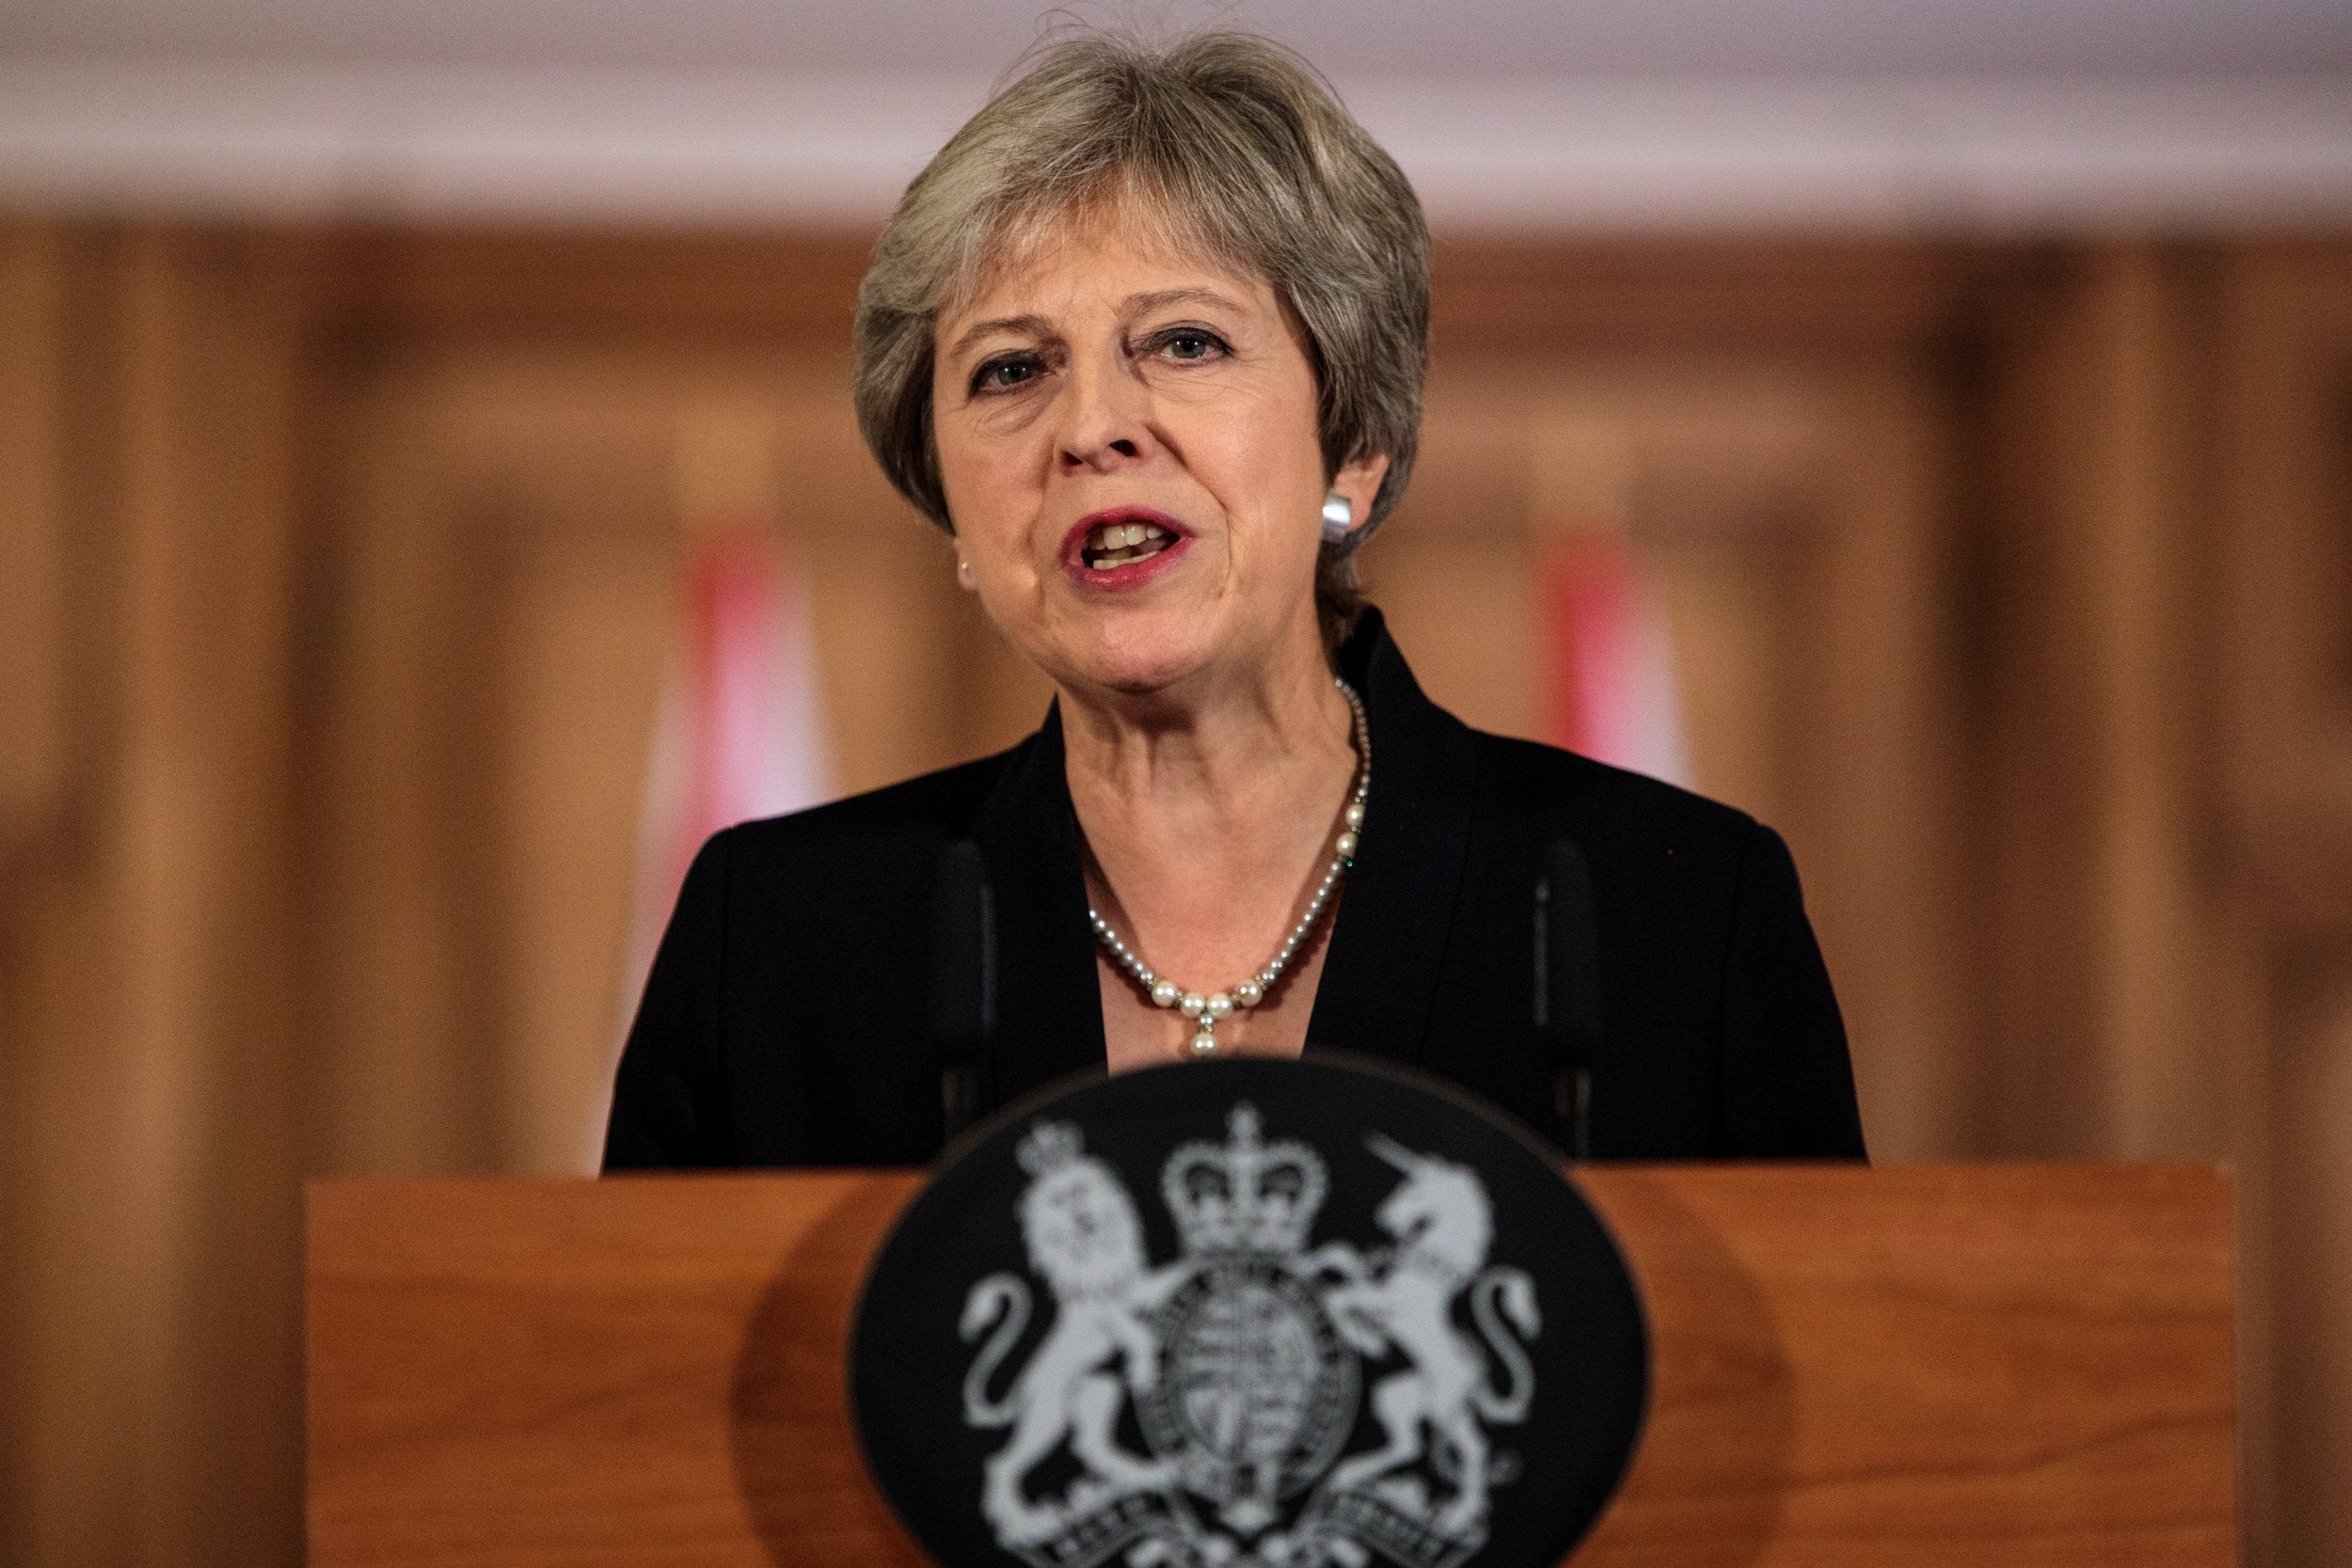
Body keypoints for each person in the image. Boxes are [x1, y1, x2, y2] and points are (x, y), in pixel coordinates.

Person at [604, 31, 1866, 1169]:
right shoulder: (776, 944)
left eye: (1186, 343)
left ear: (1353, 449)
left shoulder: (1677, 914)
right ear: (956, 519)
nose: (1092, 425)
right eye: (1011, 369)